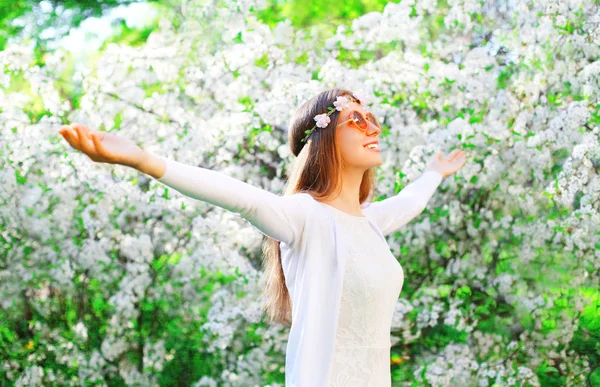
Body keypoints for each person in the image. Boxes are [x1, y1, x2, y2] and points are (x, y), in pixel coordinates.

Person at [58, 88, 467, 386]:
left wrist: (434, 174)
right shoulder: (305, 217)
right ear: (323, 137)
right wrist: (144, 160)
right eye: (355, 119)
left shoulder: (372, 223)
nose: (372, 126)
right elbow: (243, 198)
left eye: (372, 117)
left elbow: (410, 201)